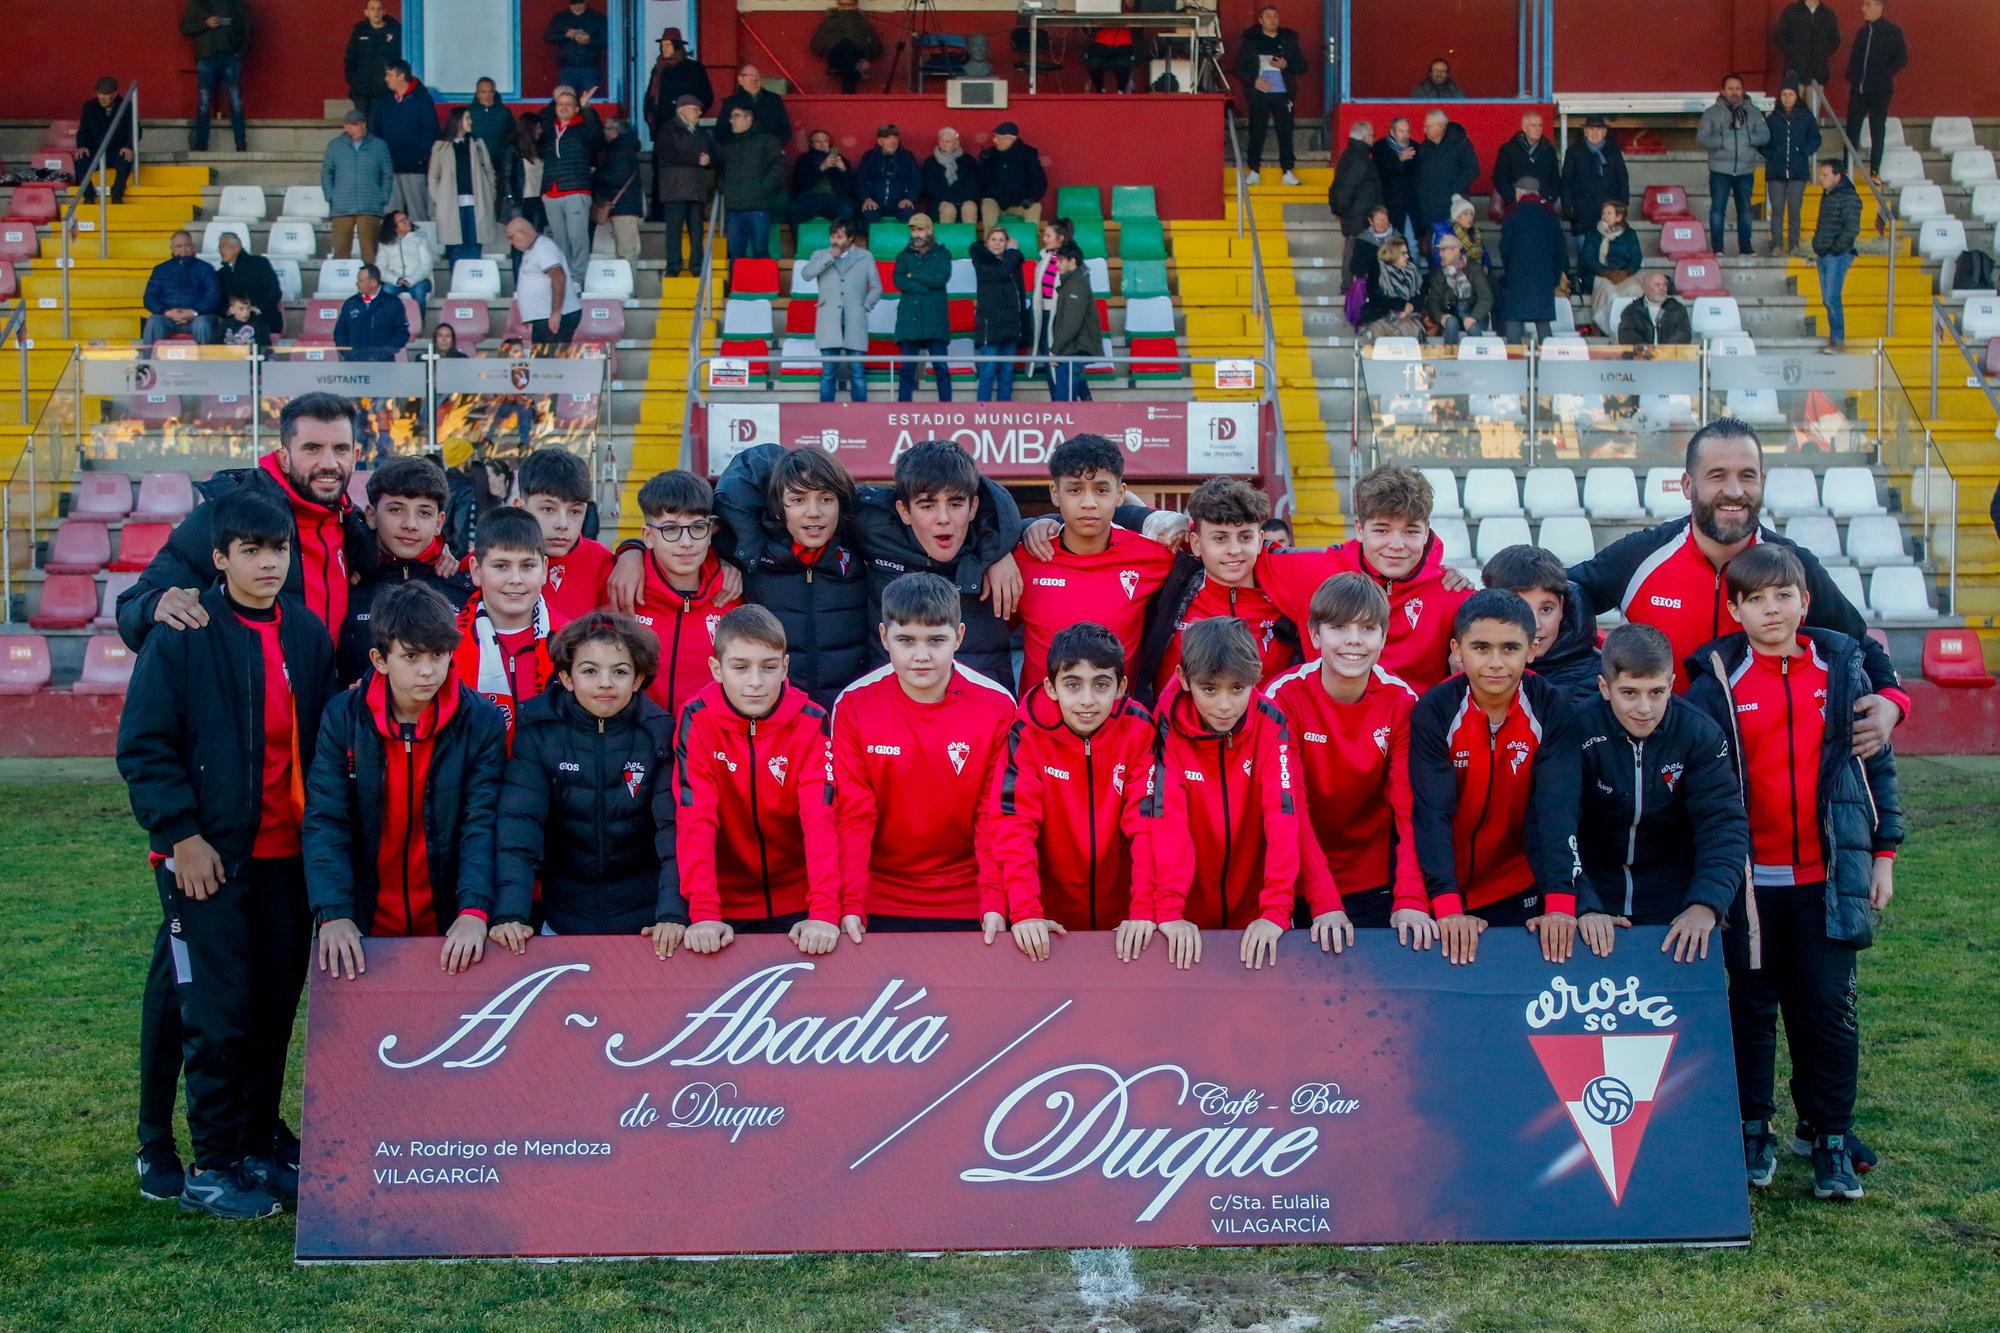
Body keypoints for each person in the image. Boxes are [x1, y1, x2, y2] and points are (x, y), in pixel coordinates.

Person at [117, 488, 336, 1218]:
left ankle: (251, 1146)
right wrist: (181, 836)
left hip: (286, 859)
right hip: (205, 857)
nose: (268, 563)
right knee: (216, 1012)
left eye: (278, 551)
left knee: (272, 1009)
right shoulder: (183, 632)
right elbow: (144, 746)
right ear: (220, 558)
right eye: (251, 551)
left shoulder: (306, 635)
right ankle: (210, 1162)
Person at [1683, 543, 1902, 1201]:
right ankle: (1753, 1129)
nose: (1771, 609)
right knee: (1750, 1008)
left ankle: (1830, 1136)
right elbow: (1700, 786)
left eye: (1784, 596)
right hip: (1750, 888)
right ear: (1735, 608)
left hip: (1828, 879)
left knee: (1828, 1011)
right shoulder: (1716, 684)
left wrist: (1883, 853)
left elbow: (1876, 768)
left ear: (1805, 602)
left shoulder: (1842, 672)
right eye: (1756, 598)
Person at [1567, 417, 1910, 754]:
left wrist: (1892, 701)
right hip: (1661, 769)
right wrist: (1602, 653)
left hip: (1759, 773)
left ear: (1761, 480)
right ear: (1688, 485)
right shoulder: (1641, 556)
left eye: (1747, 476)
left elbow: (1857, 641)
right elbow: (1559, 599)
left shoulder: (1791, 565)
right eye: (1717, 476)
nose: (1734, 491)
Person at [304, 580, 505, 979]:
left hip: (450, 923)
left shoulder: (481, 721)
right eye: (411, 657)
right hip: (363, 919)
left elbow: (480, 824)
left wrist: (473, 910)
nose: (428, 670)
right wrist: (334, 913)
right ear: (380, 659)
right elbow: (326, 820)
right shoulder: (343, 717)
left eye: (438, 654)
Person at [831, 571, 1016, 939]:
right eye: (905, 640)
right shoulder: (853, 705)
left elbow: (992, 814)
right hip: (877, 899)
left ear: (959, 637)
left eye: (936, 640)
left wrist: (993, 900)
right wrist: (850, 902)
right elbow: (853, 814)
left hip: (971, 899)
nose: (921, 656)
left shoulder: (997, 706)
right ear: (884, 638)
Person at [1128, 618, 1316, 971]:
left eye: (1238, 688)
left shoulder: (1271, 721)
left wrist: (1276, 909)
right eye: (1210, 689)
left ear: (1257, 675)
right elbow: (1167, 823)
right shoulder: (1166, 730)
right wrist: (1169, 910)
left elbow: (1283, 814)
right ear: (1184, 679)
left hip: (1257, 917)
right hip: (1187, 921)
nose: (1225, 705)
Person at [1408, 589, 1583, 966]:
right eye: (1481, 647)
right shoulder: (1435, 710)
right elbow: (1431, 812)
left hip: (1516, 886)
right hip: (1442, 889)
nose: (1495, 663)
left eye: (1510, 648)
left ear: (1531, 649)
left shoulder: (1550, 706)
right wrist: (1446, 902)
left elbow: (1557, 808)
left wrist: (1559, 901)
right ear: (1458, 649)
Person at [118, 395, 373, 652]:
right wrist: (154, 605)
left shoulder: (355, 527)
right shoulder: (226, 514)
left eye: (340, 449)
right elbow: (131, 609)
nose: (328, 463)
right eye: (312, 449)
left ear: (356, 455)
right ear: (284, 458)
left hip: (331, 691)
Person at [493, 611, 682, 949]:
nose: (605, 682)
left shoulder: (660, 735)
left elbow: (674, 833)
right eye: (590, 671)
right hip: (561, 922)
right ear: (566, 678)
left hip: (647, 929)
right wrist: (510, 914)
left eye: (620, 672)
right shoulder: (538, 731)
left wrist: (673, 914)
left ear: (638, 679)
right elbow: (518, 827)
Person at [1265, 573, 1432, 942]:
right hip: (1296, 878)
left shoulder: (1401, 701)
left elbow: (1409, 807)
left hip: (1372, 878)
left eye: (1368, 627)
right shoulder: (1283, 697)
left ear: (1384, 637)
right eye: (1339, 627)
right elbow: (1290, 807)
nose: (1354, 639)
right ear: (1314, 635)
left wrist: (1411, 897)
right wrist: (1323, 900)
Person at [1571, 622, 1749, 963]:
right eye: (1629, 693)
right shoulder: (1575, 730)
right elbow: (1555, 824)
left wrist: (1705, 904)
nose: (1644, 708)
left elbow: (1722, 824)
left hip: (1674, 900)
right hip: (1593, 894)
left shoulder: (1699, 734)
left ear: (1671, 684)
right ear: (1604, 688)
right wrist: (1582, 904)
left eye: (1656, 692)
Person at [674, 606, 843, 955]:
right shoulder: (696, 718)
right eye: (740, 667)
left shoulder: (812, 721)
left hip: (800, 904)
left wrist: (824, 911)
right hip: (722, 907)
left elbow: (819, 818)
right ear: (716, 669)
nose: (755, 681)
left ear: (784, 667)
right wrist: (704, 912)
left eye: (768, 667)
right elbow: (696, 817)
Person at [990, 622, 1156, 956]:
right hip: (1050, 926)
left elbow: (1149, 825)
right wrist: (1025, 912)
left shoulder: (1139, 729)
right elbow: (1014, 826)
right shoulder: (1027, 733)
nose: (1087, 700)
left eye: (1101, 685)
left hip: (1125, 925)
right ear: (1051, 687)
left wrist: (1144, 910)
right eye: (1072, 684)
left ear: (1121, 687)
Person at [1013, 435, 1178, 694]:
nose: (1088, 503)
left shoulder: (1152, 557)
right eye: (1075, 489)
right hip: (1037, 729)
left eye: (1101, 490)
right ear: (1055, 494)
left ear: (1120, 494)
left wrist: (1155, 516)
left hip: (1119, 725)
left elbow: (1214, 543)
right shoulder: (1024, 560)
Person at [856, 439, 1024, 689]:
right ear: (903, 511)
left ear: (973, 507)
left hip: (981, 718)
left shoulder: (1000, 544)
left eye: (955, 504)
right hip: (893, 715)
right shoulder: (870, 532)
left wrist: (1004, 549)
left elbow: (1069, 530)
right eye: (928, 505)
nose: (943, 519)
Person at [712, 445, 870, 708]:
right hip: (780, 726)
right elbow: (676, 534)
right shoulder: (750, 553)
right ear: (778, 508)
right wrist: (632, 552)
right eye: (798, 500)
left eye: (826, 499)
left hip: (849, 722)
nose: (813, 512)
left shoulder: (863, 551)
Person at [1132, 477, 1293, 699]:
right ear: (1196, 543)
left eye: (1245, 537)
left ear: (1260, 540)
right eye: (1220, 538)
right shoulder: (1171, 593)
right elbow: (1116, 507)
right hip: (1174, 732)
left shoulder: (1286, 602)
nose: (1234, 549)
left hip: (1267, 732)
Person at [335, 455, 471, 685]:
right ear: (371, 515)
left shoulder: (462, 587)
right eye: (396, 510)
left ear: (439, 523)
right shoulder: (346, 584)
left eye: (424, 513)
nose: (410, 524)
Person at [629, 470, 730, 721]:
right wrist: (628, 552)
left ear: (710, 532)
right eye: (671, 529)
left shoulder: (733, 595)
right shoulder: (624, 590)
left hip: (708, 750)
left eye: (697, 527)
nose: (686, 542)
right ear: (648, 536)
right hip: (638, 750)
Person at [455, 508, 554, 740]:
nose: (515, 579)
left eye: (528, 566)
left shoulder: (571, 641)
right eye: (501, 566)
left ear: (544, 570)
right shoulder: (446, 644)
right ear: (476, 571)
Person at [1480, 543, 1600, 705]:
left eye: (1546, 609)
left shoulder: (1599, 678)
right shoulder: (1470, 662)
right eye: (1521, 608)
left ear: (1562, 606)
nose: (1536, 625)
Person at [509, 447, 612, 625]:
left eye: (574, 511)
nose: (563, 524)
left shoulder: (602, 562)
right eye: (548, 509)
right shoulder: (490, 559)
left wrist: (632, 550)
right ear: (520, 508)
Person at [798, 218, 879, 403]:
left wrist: (864, 306)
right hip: (828, 319)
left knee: (857, 371)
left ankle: (862, 414)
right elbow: (806, 274)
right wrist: (830, 257)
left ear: (850, 238)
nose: (835, 240)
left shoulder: (865, 256)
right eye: (833, 236)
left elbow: (876, 288)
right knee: (828, 372)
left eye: (840, 236)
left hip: (855, 318)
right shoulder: (820, 254)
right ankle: (826, 414)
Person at [1697, 74, 1769, 258]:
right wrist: (1722, 140)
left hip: (1745, 169)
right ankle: (1717, 249)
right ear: (1722, 91)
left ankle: (1746, 248)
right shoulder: (1711, 113)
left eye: (1737, 88)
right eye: (1730, 88)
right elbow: (1702, 138)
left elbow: (1765, 135)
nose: (1734, 92)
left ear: (1743, 91)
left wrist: (1747, 138)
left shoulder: (1753, 112)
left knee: (1745, 211)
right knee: (1717, 210)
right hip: (1720, 170)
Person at [538, 85, 604, 284]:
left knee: (578, 239)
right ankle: (564, 281)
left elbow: (597, 137)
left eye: (569, 104)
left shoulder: (583, 128)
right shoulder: (550, 130)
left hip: (576, 190)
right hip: (552, 192)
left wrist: (586, 108)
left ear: (576, 109)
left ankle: (577, 280)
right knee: (560, 241)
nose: (564, 107)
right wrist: (544, 192)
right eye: (560, 104)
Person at [644, 31, 714, 217]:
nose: (664, 48)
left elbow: (706, 96)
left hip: (686, 129)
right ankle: (659, 212)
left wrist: (692, 114)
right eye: (662, 45)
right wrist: (649, 115)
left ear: (677, 46)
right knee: (660, 168)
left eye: (668, 45)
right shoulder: (659, 69)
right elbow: (651, 96)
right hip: (662, 128)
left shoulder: (693, 68)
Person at [1235, 5, 1307, 186]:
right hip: (1259, 94)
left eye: (1275, 16)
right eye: (1268, 16)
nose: (1272, 19)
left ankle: (1288, 171)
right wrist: (1253, 81)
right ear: (1260, 20)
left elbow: (1303, 65)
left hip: (1283, 94)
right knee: (1257, 131)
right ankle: (1253, 170)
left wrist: (1287, 64)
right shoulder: (1251, 41)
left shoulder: (1288, 41)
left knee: (1285, 131)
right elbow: (1238, 68)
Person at [429, 107, 499, 271]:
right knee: (455, 245)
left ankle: (473, 280)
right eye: (468, 118)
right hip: (451, 204)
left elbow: (490, 172)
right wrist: (438, 199)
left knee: (474, 243)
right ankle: (457, 281)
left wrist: (491, 194)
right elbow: (433, 176)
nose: (471, 122)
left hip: (476, 203)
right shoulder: (441, 146)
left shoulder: (478, 144)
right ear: (458, 121)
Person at [1497, 177, 1567, 341]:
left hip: (1518, 276)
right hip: (1544, 277)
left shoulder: (1513, 214)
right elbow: (1560, 250)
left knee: (1514, 319)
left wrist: (1510, 270)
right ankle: (1548, 362)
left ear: (1520, 192)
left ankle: (1513, 361)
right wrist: (1555, 278)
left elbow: (1504, 247)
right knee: (1543, 322)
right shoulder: (1549, 215)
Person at [368, 61, 438, 222]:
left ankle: (420, 247)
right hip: (389, 167)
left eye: (390, 75)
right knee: (391, 217)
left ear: (402, 76)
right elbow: (375, 130)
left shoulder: (422, 99)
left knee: (418, 214)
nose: (386, 79)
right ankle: (391, 246)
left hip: (414, 168)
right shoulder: (384, 101)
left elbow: (430, 130)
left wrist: (420, 157)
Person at [1843, 0, 1906, 181]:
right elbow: (1855, 57)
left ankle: (1875, 170)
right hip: (1859, 90)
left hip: (1880, 91)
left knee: (1877, 129)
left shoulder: (1893, 32)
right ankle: (1846, 168)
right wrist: (1852, 76)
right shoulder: (1862, 33)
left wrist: (1884, 75)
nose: (1863, 9)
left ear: (1879, 7)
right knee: (1852, 129)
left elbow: (1902, 58)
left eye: (1868, 5)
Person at [893, 215, 953, 402]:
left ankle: (947, 411)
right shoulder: (903, 256)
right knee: (906, 370)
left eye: (920, 229)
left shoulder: (943, 254)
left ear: (929, 230)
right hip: (910, 318)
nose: (916, 234)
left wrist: (914, 275)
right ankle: (902, 411)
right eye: (913, 230)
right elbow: (899, 281)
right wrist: (924, 284)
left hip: (934, 318)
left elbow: (940, 279)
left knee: (941, 368)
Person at [1560, 115, 1630, 272]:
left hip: (1608, 211)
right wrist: (1567, 206)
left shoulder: (1613, 151)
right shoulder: (1574, 152)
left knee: (1609, 252)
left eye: (1599, 129)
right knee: (1585, 251)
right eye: (1591, 129)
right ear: (1585, 131)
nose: (1595, 133)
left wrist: (1623, 206)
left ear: (1604, 132)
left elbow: (1622, 179)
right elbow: (1566, 181)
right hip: (1582, 211)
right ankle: (1586, 283)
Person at [323, 109, 393, 264]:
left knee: (370, 253)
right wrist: (330, 196)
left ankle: (371, 284)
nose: (360, 127)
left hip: (370, 205)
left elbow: (387, 173)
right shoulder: (335, 146)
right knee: (341, 252)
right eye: (355, 124)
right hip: (341, 206)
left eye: (362, 123)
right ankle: (341, 285)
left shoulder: (379, 145)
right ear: (346, 127)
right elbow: (327, 173)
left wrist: (383, 197)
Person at [181, 0, 250, 154]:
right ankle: (201, 144)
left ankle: (241, 144)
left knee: (236, 101)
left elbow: (247, 29)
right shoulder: (198, 4)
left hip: (230, 57)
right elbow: (185, 28)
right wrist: (205, 23)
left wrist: (239, 53)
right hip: (207, 57)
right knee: (204, 102)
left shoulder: (236, 4)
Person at [657, 97, 716, 278]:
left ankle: (696, 265)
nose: (699, 113)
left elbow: (712, 153)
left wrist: (709, 160)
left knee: (697, 231)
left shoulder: (702, 132)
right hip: (675, 189)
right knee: (674, 232)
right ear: (682, 110)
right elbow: (666, 155)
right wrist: (696, 160)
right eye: (695, 109)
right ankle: (674, 266)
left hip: (696, 189)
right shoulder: (667, 129)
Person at [717, 106, 783, 260]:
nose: (731, 120)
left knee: (760, 252)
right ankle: (735, 285)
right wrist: (725, 189)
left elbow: (778, 167)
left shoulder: (767, 141)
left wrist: (763, 188)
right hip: (734, 209)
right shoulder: (728, 146)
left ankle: (762, 285)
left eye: (736, 116)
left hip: (759, 207)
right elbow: (720, 173)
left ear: (749, 118)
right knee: (734, 254)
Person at [1763, 84, 1822, 258]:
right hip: (1775, 172)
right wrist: (1771, 154)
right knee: (1777, 210)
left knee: (1795, 210)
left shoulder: (1806, 117)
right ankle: (1777, 244)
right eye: (1784, 94)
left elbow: (1816, 139)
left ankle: (1794, 244)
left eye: (1791, 94)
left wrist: (1803, 151)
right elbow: (1762, 141)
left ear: (1797, 96)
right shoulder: (1772, 118)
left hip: (1798, 172)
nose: (1787, 98)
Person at [970, 224, 1026, 402]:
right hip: (990, 326)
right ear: (986, 243)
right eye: (993, 239)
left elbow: (1020, 292)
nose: (997, 243)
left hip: (1010, 324)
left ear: (1006, 243)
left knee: (1007, 373)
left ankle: (1005, 412)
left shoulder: (1013, 263)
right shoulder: (982, 261)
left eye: (1001, 240)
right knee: (988, 371)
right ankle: (983, 412)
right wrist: (1012, 253)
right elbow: (1001, 272)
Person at [506, 216, 581, 348]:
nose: (511, 242)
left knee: (552, 364)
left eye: (511, 237)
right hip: (543, 317)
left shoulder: (544, 248)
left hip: (554, 317)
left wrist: (556, 312)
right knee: (541, 363)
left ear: (522, 232)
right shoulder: (532, 248)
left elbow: (559, 277)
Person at [141, 230, 222, 349]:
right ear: (172, 249)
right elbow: (149, 298)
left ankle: (205, 366)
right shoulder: (160, 270)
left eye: (187, 245)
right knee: (153, 322)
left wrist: (194, 312)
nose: (183, 249)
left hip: (197, 317)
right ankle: (149, 364)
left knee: (202, 324)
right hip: (167, 317)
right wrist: (166, 312)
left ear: (193, 247)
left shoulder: (206, 268)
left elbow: (213, 296)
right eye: (179, 246)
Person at [1412, 110, 1478, 256]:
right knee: (1433, 251)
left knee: (1455, 253)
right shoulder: (1424, 148)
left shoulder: (1460, 144)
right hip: (1429, 211)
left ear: (1441, 126)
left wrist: (1452, 189)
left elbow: (1472, 169)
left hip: (1453, 208)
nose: (1424, 130)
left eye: (1428, 126)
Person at [1813, 159, 1861, 353]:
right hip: (1825, 252)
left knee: (1832, 297)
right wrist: (1818, 244)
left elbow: (1852, 228)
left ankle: (1838, 340)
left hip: (1836, 254)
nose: (1820, 179)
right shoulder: (1828, 195)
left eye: (1825, 175)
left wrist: (1835, 248)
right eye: (1820, 175)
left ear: (1837, 176)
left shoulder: (1849, 198)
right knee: (1828, 298)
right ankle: (1836, 338)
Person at [1582, 200, 1644, 332]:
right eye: (1603, 213)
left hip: (1623, 274)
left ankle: (1632, 328)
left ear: (1619, 217)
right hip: (1599, 275)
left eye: (1609, 213)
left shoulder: (1629, 234)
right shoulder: (1593, 234)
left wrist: (1625, 273)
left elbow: (1636, 258)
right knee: (1608, 290)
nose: (1605, 216)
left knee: (1634, 288)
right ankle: (1610, 329)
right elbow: (1588, 259)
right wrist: (1605, 273)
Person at [1047, 242, 1097, 402]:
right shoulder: (1073, 283)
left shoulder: (1075, 284)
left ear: (1072, 261)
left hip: (1071, 351)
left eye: (1061, 260)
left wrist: (1055, 349)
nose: (1057, 264)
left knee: (1065, 405)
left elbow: (1071, 323)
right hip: (1070, 350)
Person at [1421, 233, 1493, 344]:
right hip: (1452, 314)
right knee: (1451, 322)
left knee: (1472, 326)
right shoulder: (1439, 274)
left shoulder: (1474, 269)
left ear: (1456, 251)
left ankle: (1480, 356)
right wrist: (1441, 317)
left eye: (1444, 250)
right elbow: (1433, 301)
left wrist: (1474, 317)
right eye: (1439, 250)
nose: (1440, 254)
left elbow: (1486, 298)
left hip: (1474, 313)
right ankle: (1449, 356)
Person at [76, 77, 137, 205]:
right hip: (95, 151)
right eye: (100, 94)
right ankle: (88, 195)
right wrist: (82, 146)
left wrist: (128, 146)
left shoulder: (126, 107)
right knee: (80, 159)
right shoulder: (89, 107)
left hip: (117, 150)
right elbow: (83, 130)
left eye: (106, 94)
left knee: (126, 158)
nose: (102, 97)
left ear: (115, 94)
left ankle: (117, 193)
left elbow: (135, 130)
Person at [978, 121, 1048, 231]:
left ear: (1010, 139)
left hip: (1020, 202)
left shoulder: (1028, 154)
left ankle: (1030, 242)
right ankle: (989, 242)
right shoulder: (991, 154)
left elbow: (1039, 180)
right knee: (987, 204)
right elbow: (982, 180)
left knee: (1035, 206)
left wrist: (1032, 197)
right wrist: (983, 161)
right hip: (997, 201)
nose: (994, 140)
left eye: (998, 137)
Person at [592, 116, 644, 262]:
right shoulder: (624, 148)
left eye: (605, 129)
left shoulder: (621, 150)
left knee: (627, 253)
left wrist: (596, 174)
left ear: (613, 132)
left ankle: (629, 283)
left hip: (624, 207)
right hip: (623, 205)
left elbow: (617, 177)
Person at [333, 264, 410, 362]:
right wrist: (347, 352)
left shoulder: (393, 303)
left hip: (384, 366)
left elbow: (402, 332)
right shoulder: (350, 303)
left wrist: (385, 352)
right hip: (353, 365)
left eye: (361, 281)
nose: (357, 283)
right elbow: (340, 331)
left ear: (373, 282)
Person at [214, 232, 283, 342]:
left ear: (236, 247)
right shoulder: (221, 274)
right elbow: (218, 302)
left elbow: (274, 292)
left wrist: (256, 308)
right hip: (234, 322)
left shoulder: (259, 263)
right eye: (219, 247)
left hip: (263, 318)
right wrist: (230, 311)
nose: (220, 251)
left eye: (223, 246)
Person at [855, 123, 922, 231]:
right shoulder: (869, 157)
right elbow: (860, 180)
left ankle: (907, 247)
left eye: (895, 138)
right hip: (875, 202)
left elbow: (917, 180)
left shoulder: (907, 156)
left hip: (900, 202)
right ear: (880, 141)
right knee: (868, 216)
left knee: (909, 215)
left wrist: (909, 198)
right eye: (888, 138)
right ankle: (870, 246)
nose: (893, 141)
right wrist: (866, 198)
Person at [466, 78, 517, 215]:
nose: (487, 95)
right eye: (483, 92)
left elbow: (513, 137)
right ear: (477, 93)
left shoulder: (504, 113)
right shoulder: (468, 113)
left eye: (490, 91)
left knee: (496, 204)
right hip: (475, 167)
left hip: (498, 167)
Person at [1357, 235, 1422, 340]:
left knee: (1409, 329)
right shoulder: (1378, 271)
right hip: (1383, 314)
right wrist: (1402, 304)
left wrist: (1411, 306)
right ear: (1394, 254)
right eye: (1403, 253)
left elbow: (1420, 296)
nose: (1407, 256)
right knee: (1377, 329)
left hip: (1407, 316)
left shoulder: (1413, 271)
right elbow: (1377, 297)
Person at [343, 0, 401, 119]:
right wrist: (353, 80)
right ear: (366, 12)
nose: (376, 12)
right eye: (372, 9)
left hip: (385, 90)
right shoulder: (358, 31)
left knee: (378, 125)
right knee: (362, 124)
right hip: (361, 91)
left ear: (384, 11)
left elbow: (399, 59)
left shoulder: (395, 31)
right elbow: (350, 58)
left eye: (379, 9)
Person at [1491, 112, 1559, 213]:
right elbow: (1499, 177)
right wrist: (1511, 197)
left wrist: (1548, 198)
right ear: (1524, 128)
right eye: (1534, 125)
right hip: (1515, 205)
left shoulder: (1549, 150)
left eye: (1540, 125)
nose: (1538, 129)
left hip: (1543, 205)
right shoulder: (1508, 149)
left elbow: (1555, 179)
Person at [810, 0, 883, 95]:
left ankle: (848, 90)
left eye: (849, 5)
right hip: (849, 59)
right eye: (844, 5)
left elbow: (816, 48)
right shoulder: (862, 23)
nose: (847, 9)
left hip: (844, 59)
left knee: (847, 48)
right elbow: (876, 49)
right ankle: (859, 68)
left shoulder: (830, 22)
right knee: (846, 47)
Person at [790, 128, 854, 232]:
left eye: (825, 141)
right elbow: (799, 184)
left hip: (833, 198)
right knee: (794, 209)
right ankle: (799, 246)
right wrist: (822, 168)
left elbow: (849, 188)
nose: (822, 144)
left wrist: (843, 169)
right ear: (811, 144)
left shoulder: (840, 159)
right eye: (818, 142)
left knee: (846, 210)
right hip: (808, 198)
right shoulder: (804, 159)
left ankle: (840, 246)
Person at [1029, 216, 1074, 367]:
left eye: (1048, 236)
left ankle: (1075, 391)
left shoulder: (1070, 261)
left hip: (1060, 315)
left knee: (1057, 360)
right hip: (1044, 312)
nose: (1044, 239)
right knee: (1048, 357)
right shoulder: (1045, 258)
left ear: (1061, 238)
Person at [1329, 121, 1383, 241]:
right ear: (1365, 138)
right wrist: (1341, 210)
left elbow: (1337, 185)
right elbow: (1348, 188)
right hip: (1360, 219)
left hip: (1354, 218)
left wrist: (1337, 210)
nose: (1374, 139)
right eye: (1372, 136)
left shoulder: (1348, 154)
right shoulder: (1361, 159)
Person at [375, 209, 436, 313]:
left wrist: (411, 279)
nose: (407, 222)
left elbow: (427, 264)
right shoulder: (385, 243)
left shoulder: (420, 239)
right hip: (395, 281)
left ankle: (419, 324)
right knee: (387, 291)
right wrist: (396, 279)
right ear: (393, 226)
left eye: (406, 219)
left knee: (419, 291)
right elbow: (379, 268)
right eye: (402, 221)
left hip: (418, 280)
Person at [1372, 117, 1418, 252]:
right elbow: (1381, 172)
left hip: (1409, 206)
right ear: (1392, 132)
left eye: (1408, 131)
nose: (1405, 135)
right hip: (1388, 204)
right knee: (1389, 244)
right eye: (1401, 131)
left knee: (1411, 243)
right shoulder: (1380, 148)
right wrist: (1399, 160)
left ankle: (1409, 272)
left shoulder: (1416, 148)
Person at [717, 64, 791, 145]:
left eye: (757, 75)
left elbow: (785, 129)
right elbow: (720, 132)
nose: (754, 78)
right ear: (740, 79)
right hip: (741, 152)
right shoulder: (731, 102)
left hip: (769, 151)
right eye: (750, 75)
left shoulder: (774, 99)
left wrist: (774, 145)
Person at [545, 0, 608, 95]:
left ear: (585, 2)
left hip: (590, 66)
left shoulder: (597, 17)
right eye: (574, 4)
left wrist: (589, 40)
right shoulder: (561, 17)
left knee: (591, 100)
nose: (577, 7)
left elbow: (608, 40)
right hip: (567, 67)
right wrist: (565, 35)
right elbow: (549, 37)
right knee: (566, 98)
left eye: (580, 3)